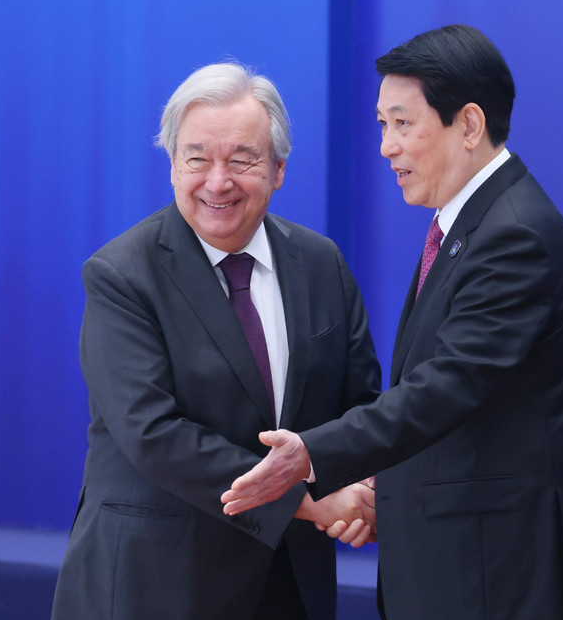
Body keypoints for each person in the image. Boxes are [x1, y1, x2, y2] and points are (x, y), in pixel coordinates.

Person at [222, 25, 563, 620]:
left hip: (501, 576)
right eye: (383, 124)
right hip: (465, 568)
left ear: (470, 125)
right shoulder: (468, 226)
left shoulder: (513, 237)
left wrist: (312, 455)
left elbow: (445, 389)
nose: (386, 147)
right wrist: (383, 488)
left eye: (403, 124)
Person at [51, 62, 382, 620]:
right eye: (196, 158)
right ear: (173, 165)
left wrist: (368, 490)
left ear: (278, 169)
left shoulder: (321, 263)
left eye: (242, 160)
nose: (217, 181)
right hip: (157, 587)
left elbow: (363, 405)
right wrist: (310, 505)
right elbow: (154, 434)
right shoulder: (121, 275)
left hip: (290, 587)